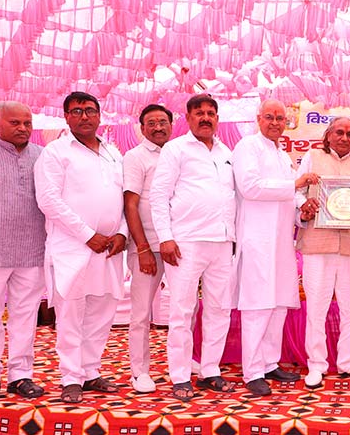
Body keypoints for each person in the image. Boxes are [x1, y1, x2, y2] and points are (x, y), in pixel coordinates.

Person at [34, 92, 126, 403]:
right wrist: (87, 235)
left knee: (102, 312)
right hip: (72, 247)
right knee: (71, 314)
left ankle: (91, 372)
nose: (84, 116)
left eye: (89, 110)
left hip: (109, 249)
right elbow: (48, 200)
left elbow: (123, 199)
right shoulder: (56, 152)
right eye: (76, 111)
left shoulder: (113, 153)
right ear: (66, 117)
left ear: (99, 115)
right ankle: (71, 377)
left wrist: (122, 233)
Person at [149, 94, 236, 402]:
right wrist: (165, 237)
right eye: (199, 113)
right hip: (185, 242)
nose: (205, 118)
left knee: (219, 309)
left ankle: (210, 369)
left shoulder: (226, 152)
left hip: (222, 242)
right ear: (187, 118)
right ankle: (180, 375)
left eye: (211, 113)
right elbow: (159, 195)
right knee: (182, 311)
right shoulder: (176, 149)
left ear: (217, 118)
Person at [229, 99, 317, 396]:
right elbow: (250, 187)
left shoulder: (281, 154)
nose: (276, 123)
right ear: (259, 119)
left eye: (280, 118)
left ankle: (269, 363)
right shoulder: (247, 147)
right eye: (270, 117)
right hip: (257, 239)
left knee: (278, 304)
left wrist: (302, 210)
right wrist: (296, 185)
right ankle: (253, 371)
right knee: (258, 305)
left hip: (281, 241)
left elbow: (290, 196)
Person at [0, 102, 46, 403]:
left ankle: (21, 376)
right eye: (15, 122)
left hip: (33, 251)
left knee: (25, 316)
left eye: (27, 123)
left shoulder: (41, 156)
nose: (23, 128)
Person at [296, 117, 350, 389]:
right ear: (328, 135)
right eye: (339, 132)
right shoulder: (312, 157)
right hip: (318, 244)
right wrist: (304, 204)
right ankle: (316, 364)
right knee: (317, 307)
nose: (344, 138)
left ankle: (346, 362)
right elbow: (297, 191)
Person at [123, 104, 173, 393]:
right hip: (148, 247)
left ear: (171, 125)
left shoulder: (177, 152)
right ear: (142, 128)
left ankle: (185, 360)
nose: (158, 127)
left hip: (177, 245)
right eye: (151, 122)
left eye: (163, 121)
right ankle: (139, 371)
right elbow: (130, 204)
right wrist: (142, 248)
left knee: (185, 309)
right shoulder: (135, 157)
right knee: (141, 313)